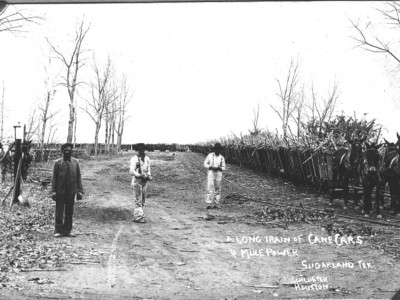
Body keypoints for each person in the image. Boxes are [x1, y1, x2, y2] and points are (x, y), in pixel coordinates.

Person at [51, 143, 83, 237]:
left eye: (69, 150)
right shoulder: (58, 163)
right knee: (59, 211)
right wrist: (53, 191)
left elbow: (78, 177)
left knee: (69, 212)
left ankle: (67, 230)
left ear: (72, 151)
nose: (67, 152)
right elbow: (54, 178)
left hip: (71, 192)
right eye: (65, 150)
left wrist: (79, 191)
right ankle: (58, 230)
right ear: (62, 152)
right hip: (60, 191)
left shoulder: (75, 162)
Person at [129, 143, 152, 223]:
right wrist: (139, 175)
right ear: (137, 150)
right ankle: (138, 217)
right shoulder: (134, 159)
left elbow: (148, 169)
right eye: (140, 150)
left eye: (143, 149)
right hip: (137, 181)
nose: (142, 151)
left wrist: (149, 175)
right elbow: (131, 171)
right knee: (138, 199)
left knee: (143, 200)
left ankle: (139, 215)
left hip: (144, 182)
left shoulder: (147, 159)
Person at [204, 142, 226, 209]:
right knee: (210, 187)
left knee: (218, 188)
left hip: (218, 173)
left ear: (220, 150)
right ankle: (208, 203)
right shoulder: (210, 155)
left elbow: (224, 167)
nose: (218, 150)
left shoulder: (221, 157)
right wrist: (210, 166)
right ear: (214, 149)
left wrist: (219, 168)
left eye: (219, 149)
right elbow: (205, 164)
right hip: (211, 172)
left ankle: (216, 204)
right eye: (216, 149)